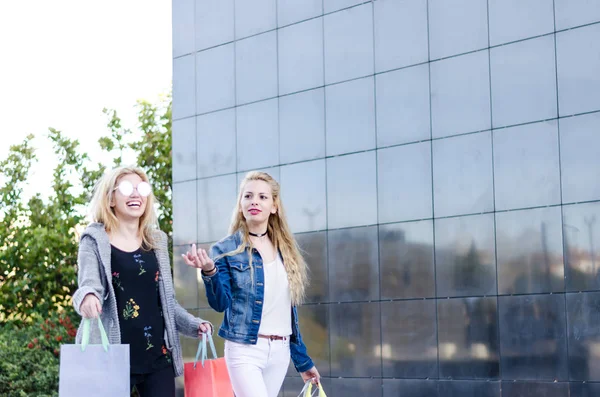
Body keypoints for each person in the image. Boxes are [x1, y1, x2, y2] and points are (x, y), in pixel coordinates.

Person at [72, 166, 212, 397]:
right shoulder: (94, 239)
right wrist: (87, 297)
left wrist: (193, 324)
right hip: (113, 355)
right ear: (110, 199)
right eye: (127, 188)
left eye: (142, 189)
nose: (136, 194)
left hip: (157, 356)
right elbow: (89, 285)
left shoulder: (156, 241)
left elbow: (166, 302)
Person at [183, 171, 320, 397]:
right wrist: (209, 271)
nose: (254, 201)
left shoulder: (286, 250)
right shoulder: (224, 249)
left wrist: (302, 361)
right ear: (240, 204)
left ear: (274, 206)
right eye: (248, 196)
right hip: (245, 350)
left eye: (262, 197)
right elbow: (220, 303)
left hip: (280, 351)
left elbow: (289, 313)